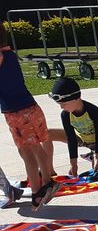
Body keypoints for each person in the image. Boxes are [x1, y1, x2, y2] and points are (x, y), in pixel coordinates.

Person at [1, 27, 59, 208]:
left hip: (16, 113)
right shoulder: (10, 53)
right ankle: (47, 181)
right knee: (36, 147)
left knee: (26, 152)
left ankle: (37, 192)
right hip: (32, 108)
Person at [45, 77, 98, 176]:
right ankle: (49, 171)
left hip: (97, 142)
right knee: (46, 134)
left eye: (64, 104)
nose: (61, 107)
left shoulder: (93, 111)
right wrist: (73, 164)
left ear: (76, 98)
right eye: (59, 104)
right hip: (80, 138)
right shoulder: (65, 114)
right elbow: (71, 139)